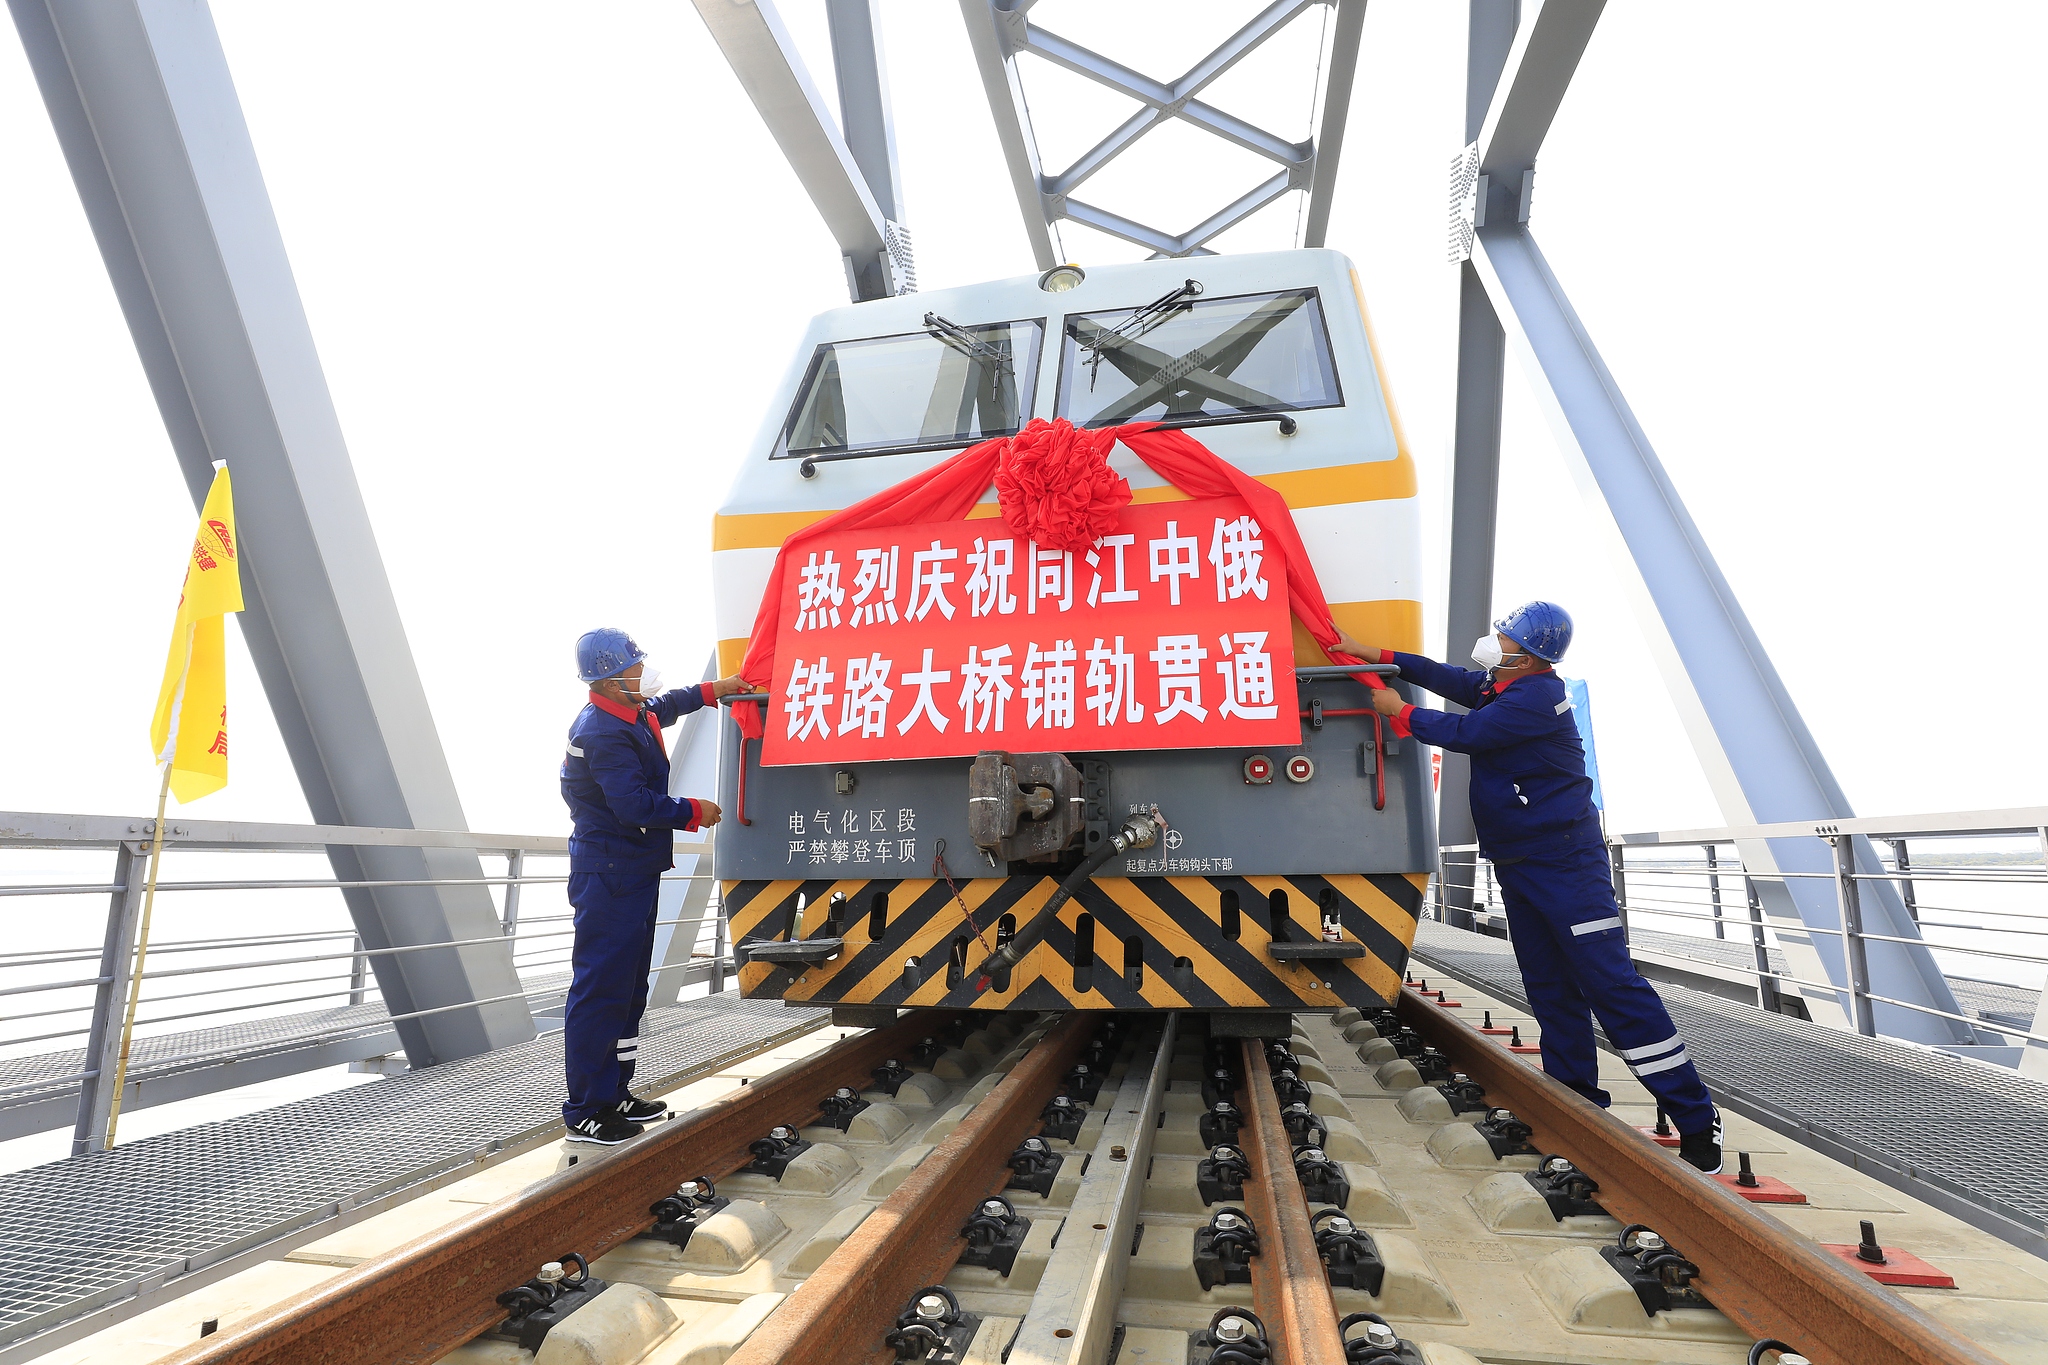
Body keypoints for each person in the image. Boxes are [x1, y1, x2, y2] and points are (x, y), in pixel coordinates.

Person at [1337, 602, 1723, 1173]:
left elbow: (1467, 732)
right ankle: (1574, 1099)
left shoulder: (1536, 698)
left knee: (1610, 986)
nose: (1493, 642)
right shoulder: (1504, 685)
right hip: (1520, 861)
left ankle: (1695, 1119)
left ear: (1531, 654)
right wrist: (1381, 657)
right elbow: (1453, 681)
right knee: (1548, 983)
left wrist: (1400, 713)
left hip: (1566, 862)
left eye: (1504, 637)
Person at [559, 627, 747, 1144]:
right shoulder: (602, 732)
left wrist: (715, 690)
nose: (643, 673)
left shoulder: (630, 711)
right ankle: (585, 1110)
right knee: (600, 991)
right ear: (610, 679)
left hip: (633, 871)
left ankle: (616, 1091)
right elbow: (633, 805)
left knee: (630, 987)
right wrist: (694, 812)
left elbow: (665, 706)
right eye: (634, 668)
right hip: (608, 875)